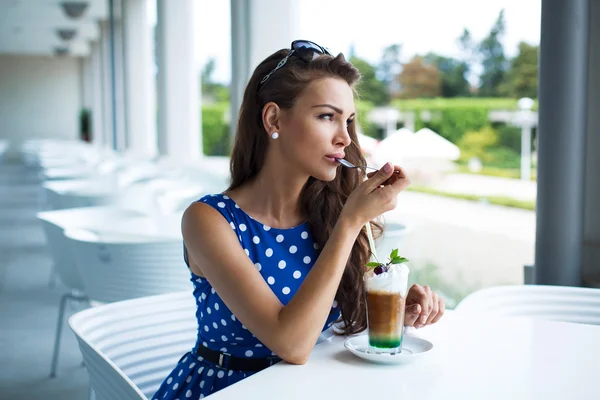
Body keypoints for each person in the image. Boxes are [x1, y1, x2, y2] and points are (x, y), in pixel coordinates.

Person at [153, 40, 445, 399]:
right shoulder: (209, 220)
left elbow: (333, 323)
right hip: (227, 390)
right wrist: (350, 223)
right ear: (274, 119)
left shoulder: (333, 212)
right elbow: (291, 343)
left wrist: (396, 312)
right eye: (327, 116)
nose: (345, 137)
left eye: (349, 120)